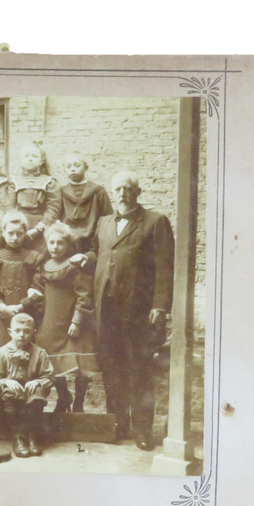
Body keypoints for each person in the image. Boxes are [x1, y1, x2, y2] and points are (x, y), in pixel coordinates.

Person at [77, 170, 175, 450]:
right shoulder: (105, 222)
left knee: (140, 370)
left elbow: (165, 267)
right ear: (113, 192)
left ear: (138, 192)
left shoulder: (155, 222)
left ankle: (143, 431)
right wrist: (86, 257)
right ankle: (118, 425)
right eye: (118, 188)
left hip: (138, 312)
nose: (123, 193)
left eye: (128, 188)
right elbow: (102, 253)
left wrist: (159, 306)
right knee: (112, 369)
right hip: (105, 311)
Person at [32, 223, 99, 413]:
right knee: (51, 359)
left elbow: (84, 294)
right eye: (51, 242)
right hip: (52, 320)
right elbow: (39, 288)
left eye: (60, 243)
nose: (55, 247)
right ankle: (63, 396)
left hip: (73, 318)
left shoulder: (75, 266)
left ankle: (79, 402)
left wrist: (77, 320)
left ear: (68, 245)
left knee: (79, 359)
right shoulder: (44, 266)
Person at [0, 313, 55, 458]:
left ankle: (32, 436)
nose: (22, 335)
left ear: (33, 333)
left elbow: (49, 377)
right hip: (10, 396)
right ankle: (18, 437)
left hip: (31, 394)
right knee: (11, 394)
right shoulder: (1, 353)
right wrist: (6, 381)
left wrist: (37, 381)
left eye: (26, 331)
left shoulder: (39, 353)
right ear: (10, 332)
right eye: (17, 330)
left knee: (37, 394)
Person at [0, 211, 44, 355]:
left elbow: (37, 287)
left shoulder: (34, 257)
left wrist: (21, 306)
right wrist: (1, 306)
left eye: (19, 233)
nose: (15, 238)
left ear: (25, 233)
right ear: (3, 232)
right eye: (10, 233)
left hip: (25, 313)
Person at [0, 141, 60, 254]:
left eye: (35, 156)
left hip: (41, 224)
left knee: (39, 255)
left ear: (41, 161)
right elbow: (9, 207)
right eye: (26, 156)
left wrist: (39, 228)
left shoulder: (50, 182)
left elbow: (53, 208)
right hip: (19, 225)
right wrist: (14, 225)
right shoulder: (14, 181)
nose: (30, 159)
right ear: (21, 160)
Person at [54, 152, 113, 254]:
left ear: (86, 167)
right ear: (64, 170)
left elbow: (108, 217)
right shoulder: (61, 192)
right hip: (68, 240)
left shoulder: (98, 191)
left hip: (93, 240)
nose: (73, 169)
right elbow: (56, 216)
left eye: (77, 165)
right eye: (68, 166)